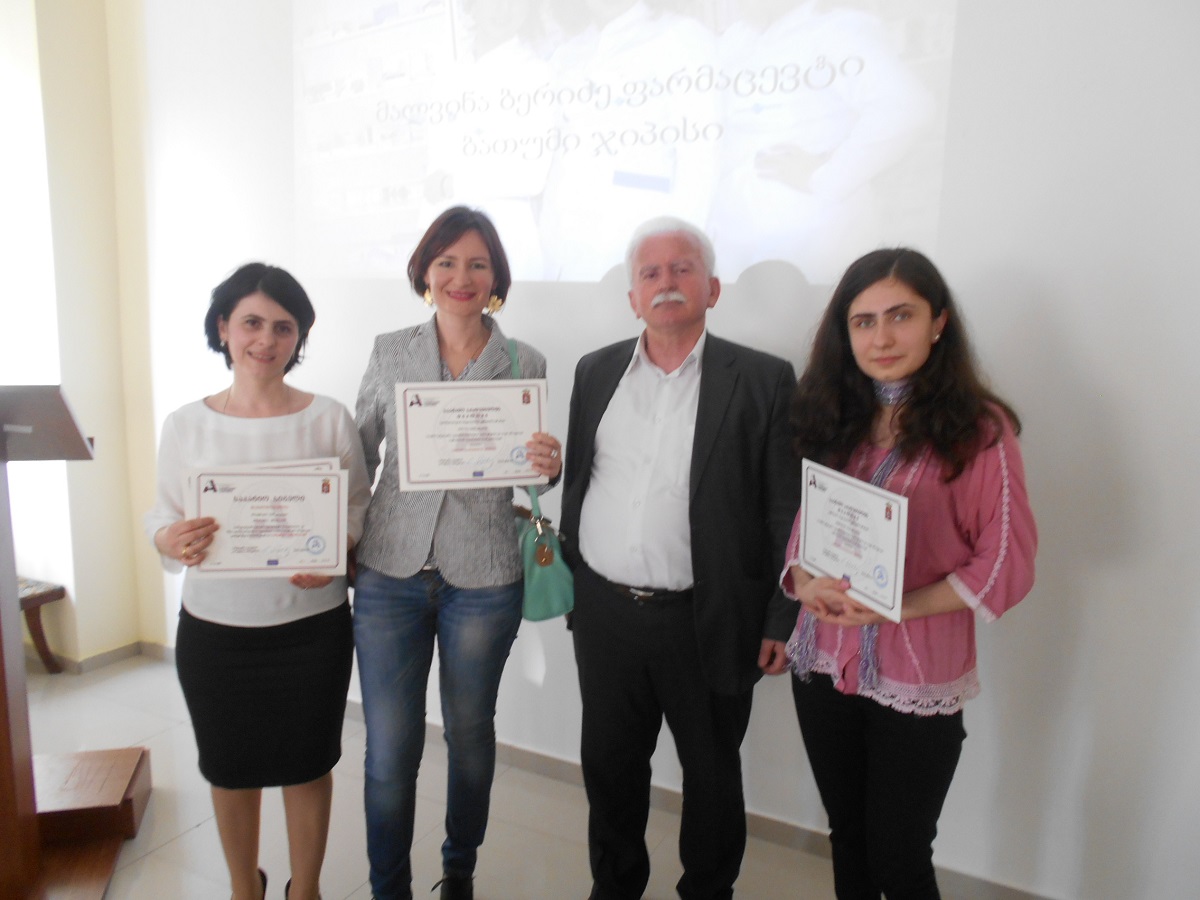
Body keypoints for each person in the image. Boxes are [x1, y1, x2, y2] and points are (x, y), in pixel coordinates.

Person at [773, 248, 1037, 899]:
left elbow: (1006, 561)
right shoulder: (835, 413)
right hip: (824, 661)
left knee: (900, 858)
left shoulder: (980, 431)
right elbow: (809, 526)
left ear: (938, 322)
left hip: (915, 674)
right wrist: (801, 580)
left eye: (901, 316)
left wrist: (900, 605)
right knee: (848, 839)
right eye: (864, 322)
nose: (882, 338)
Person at [560, 216, 799, 899]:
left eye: (682, 268)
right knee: (610, 767)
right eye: (650, 273)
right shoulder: (595, 370)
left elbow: (785, 508)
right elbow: (581, 478)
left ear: (712, 288)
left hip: (708, 617)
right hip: (604, 613)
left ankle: (707, 891)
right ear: (633, 297)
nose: (666, 282)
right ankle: (615, 887)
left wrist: (781, 618)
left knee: (712, 776)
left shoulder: (763, 379)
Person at [353, 206, 563, 900]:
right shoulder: (391, 351)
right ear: (425, 272)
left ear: (496, 277)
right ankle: (389, 888)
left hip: (484, 577)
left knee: (470, 734)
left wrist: (549, 466)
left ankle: (459, 869)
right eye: (446, 262)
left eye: (477, 263)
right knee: (390, 750)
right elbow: (359, 454)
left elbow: (531, 477)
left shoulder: (524, 361)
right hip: (390, 571)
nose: (461, 276)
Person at [145, 263, 371, 900]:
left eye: (283, 327)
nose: (266, 340)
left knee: (307, 766)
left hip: (311, 631)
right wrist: (169, 538)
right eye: (251, 323)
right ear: (223, 327)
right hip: (217, 632)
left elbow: (357, 507)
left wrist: (337, 547)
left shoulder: (328, 418)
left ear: (299, 338)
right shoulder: (186, 424)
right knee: (230, 771)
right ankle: (245, 886)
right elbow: (162, 516)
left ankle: (307, 890)